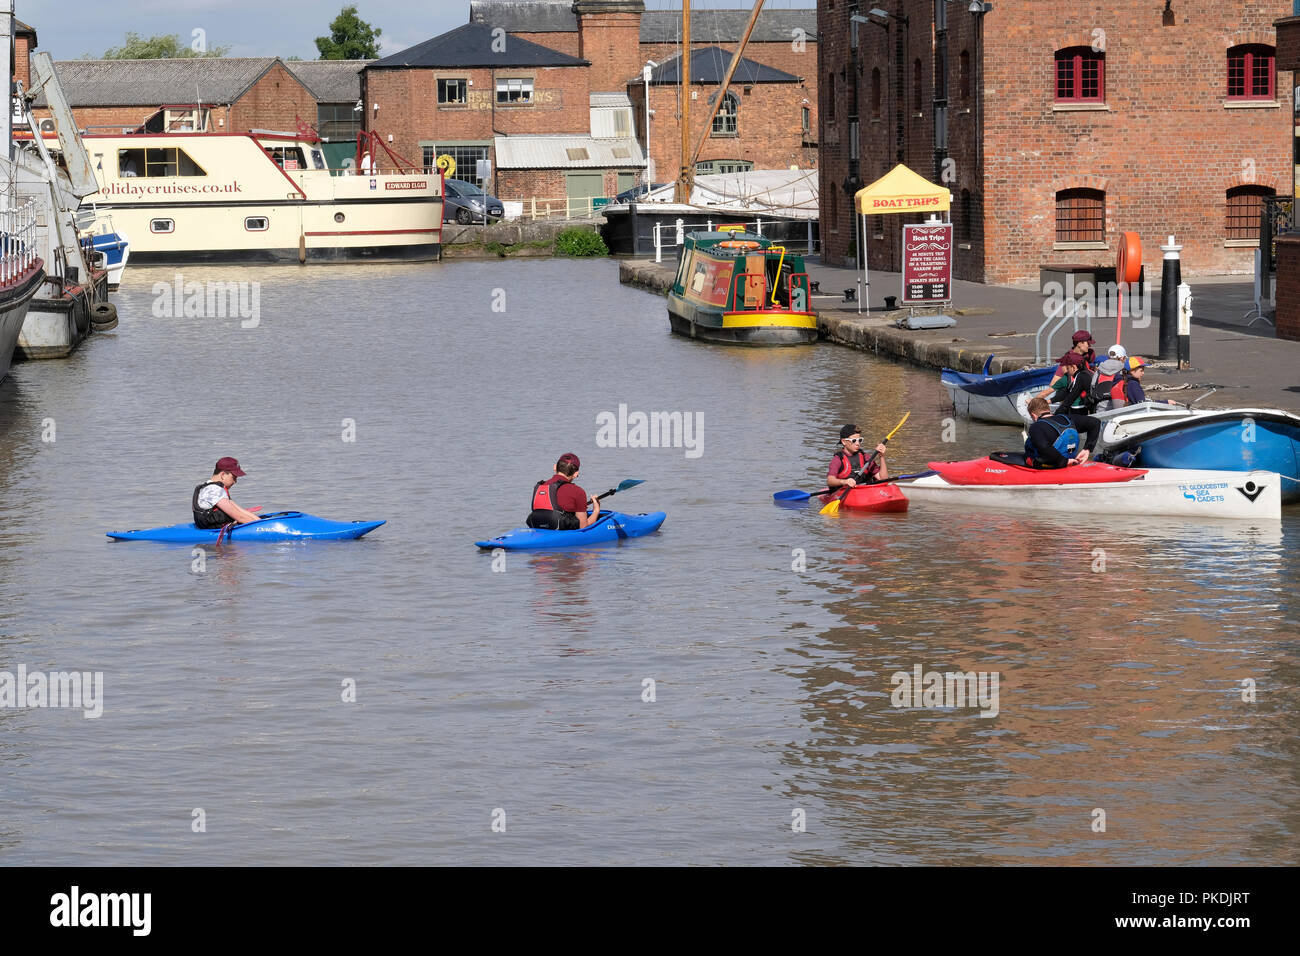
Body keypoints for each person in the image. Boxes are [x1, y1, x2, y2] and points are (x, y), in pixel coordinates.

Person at [526, 453, 604, 530]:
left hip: (539, 527)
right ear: (576, 474)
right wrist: (596, 510)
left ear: (555, 467)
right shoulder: (578, 491)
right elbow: (583, 527)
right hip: (560, 533)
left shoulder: (539, 487)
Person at [1023, 396, 1100, 468]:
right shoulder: (1068, 418)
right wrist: (1087, 449)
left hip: (1048, 466)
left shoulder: (1036, 427)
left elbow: (1044, 447)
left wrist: (1064, 461)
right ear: (1048, 409)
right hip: (1071, 460)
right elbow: (1095, 423)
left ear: (1033, 415)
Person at [193, 457, 261, 528]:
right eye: (234, 477)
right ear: (223, 475)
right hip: (212, 530)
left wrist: (259, 521)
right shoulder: (214, 490)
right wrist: (261, 527)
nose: (235, 481)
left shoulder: (211, 487)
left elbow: (240, 511)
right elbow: (240, 517)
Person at [826, 424, 888, 495]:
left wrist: (881, 456)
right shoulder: (838, 459)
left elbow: (883, 479)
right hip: (844, 494)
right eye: (854, 440)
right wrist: (845, 482)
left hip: (865, 493)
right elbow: (830, 481)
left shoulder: (865, 457)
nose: (858, 443)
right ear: (843, 441)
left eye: (860, 440)